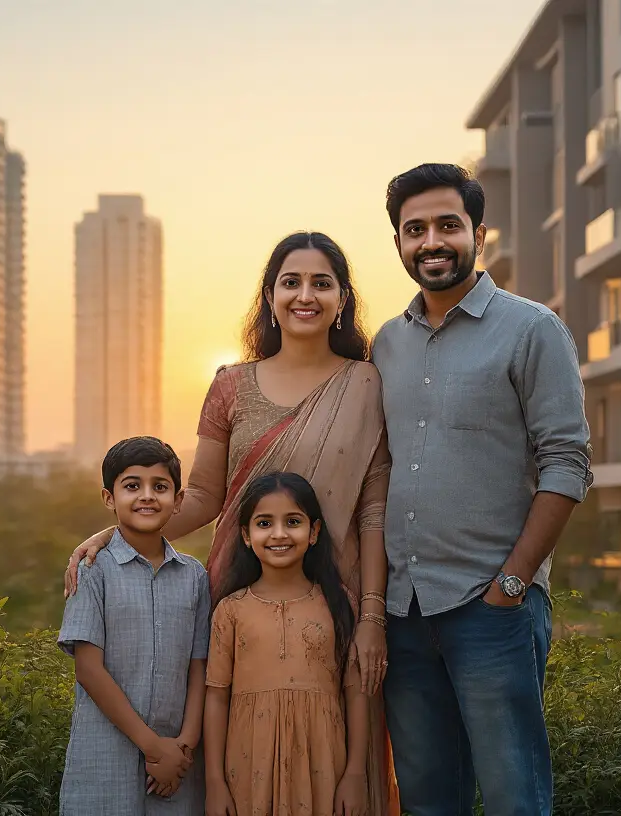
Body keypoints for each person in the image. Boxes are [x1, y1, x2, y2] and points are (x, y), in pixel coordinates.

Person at [65, 231, 400, 815]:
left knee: (337, 753)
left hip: (335, 606)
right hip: (237, 591)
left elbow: (374, 513)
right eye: (290, 282)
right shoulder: (230, 385)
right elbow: (200, 495)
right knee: (237, 751)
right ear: (269, 297)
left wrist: (370, 617)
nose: (305, 295)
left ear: (342, 299)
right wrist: (123, 535)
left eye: (322, 283)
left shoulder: (367, 384)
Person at [374, 163, 592, 816]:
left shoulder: (532, 329)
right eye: (415, 230)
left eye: (448, 225)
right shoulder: (387, 343)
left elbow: (568, 462)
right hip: (403, 612)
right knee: (428, 801)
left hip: (490, 607)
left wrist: (513, 585)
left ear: (479, 233)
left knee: (513, 799)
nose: (431, 242)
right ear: (399, 244)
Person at [57, 436, 212, 815]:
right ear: (109, 498)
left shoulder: (195, 576)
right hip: (106, 761)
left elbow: (199, 667)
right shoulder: (93, 570)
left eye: (160, 487)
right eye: (132, 486)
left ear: (178, 500)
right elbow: (88, 669)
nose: (147, 496)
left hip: (177, 766)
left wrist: (183, 747)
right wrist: (152, 746)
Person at [204, 472, 370, 816]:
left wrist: (355, 773)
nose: (279, 534)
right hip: (249, 765)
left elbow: (355, 694)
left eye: (292, 521)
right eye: (265, 523)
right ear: (246, 536)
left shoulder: (340, 604)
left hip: (322, 762)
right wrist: (215, 783)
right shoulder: (230, 610)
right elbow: (217, 697)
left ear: (314, 532)